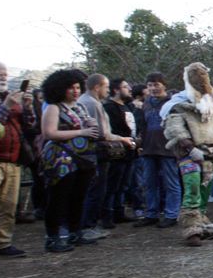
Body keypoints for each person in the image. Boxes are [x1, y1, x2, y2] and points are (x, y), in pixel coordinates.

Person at [163, 63, 213, 245]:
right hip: (190, 154)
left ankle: (201, 223)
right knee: (192, 187)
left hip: (209, 154)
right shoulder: (180, 103)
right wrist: (190, 148)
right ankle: (191, 228)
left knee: (204, 189)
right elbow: (175, 128)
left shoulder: (211, 104)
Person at [38, 69, 101, 252]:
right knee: (58, 197)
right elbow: (49, 133)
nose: (75, 91)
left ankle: (75, 232)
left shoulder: (79, 107)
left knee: (78, 197)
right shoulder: (53, 107)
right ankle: (53, 237)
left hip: (83, 159)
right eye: (70, 88)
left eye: (77, 87)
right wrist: (82, 132)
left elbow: (89, 127)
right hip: (61, 160)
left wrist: (90, 126)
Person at [0, 60, 36, 261]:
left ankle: (1, 243)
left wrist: (28, 108)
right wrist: (6, 107)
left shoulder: (9, 97)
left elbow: (29, 126)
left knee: (7, 206)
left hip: (13, 159)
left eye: (5, 74)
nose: (4, 77)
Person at [77, 73, 135, 240]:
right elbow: (103, 133)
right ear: (97, 87)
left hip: (91, 153)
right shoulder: (92, 103)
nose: (108, 90)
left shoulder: (87, 102)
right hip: (96, 153)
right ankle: (88, 226)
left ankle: (88, 225)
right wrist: (122, 139)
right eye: (106, 87)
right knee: (96, 190)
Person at [136, 73, 181, 229]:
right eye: (149, 85)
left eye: (156, 84)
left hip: (167, 149)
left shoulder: (172, 103)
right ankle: (151, 214)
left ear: (164, 85)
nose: (153, 88)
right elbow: (143, 125)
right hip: (148, 148)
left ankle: (171, 214)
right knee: (149, 183)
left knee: (171, 183)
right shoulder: (146, 103)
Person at [101, 78, 138, 226]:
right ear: (116, 90)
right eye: (125, 86)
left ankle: (119, 212)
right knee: (112, 185)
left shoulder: (127, 106)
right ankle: (107, 215)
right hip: (116, 152)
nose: (129, 89)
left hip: (130, 151)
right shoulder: (109, 107)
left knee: (124, 184)